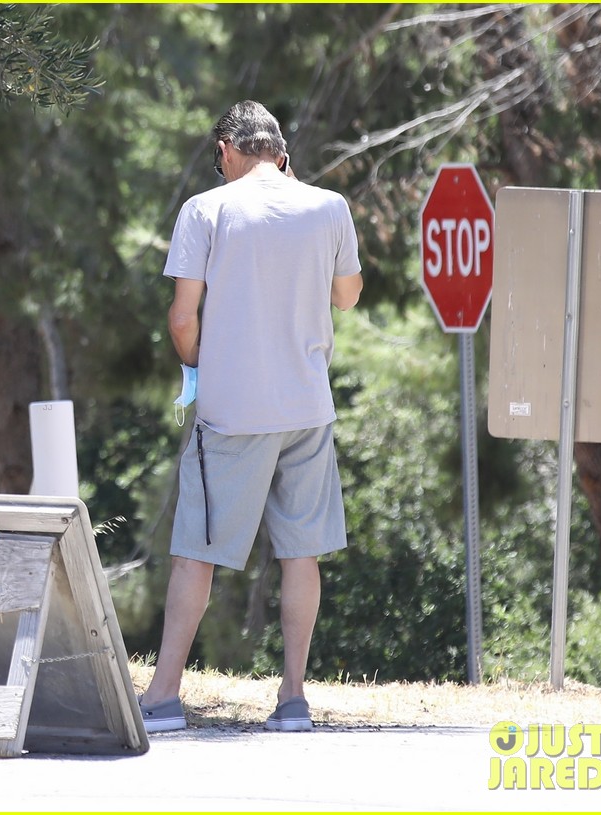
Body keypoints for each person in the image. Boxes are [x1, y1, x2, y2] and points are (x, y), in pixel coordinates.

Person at [139, 100, 363, 733]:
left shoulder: (206, 211)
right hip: (307, 408)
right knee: (301, 554)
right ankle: (293, 698)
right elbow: (347, 295)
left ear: (229, 152)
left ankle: (162, 697)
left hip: (233, 413)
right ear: (283, 156)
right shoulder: (329, 207)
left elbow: (183, 319)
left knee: (195, 553)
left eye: (219, 160)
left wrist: (198, 364)